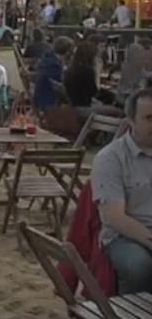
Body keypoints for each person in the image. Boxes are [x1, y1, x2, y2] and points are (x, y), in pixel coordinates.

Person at [89, 88, 152, 294]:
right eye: (149, 118)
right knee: (139, 266)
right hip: (125, 236)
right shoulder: (111, 158)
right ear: (131, 121)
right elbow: (114, 218)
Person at [33, 36, 74, 113]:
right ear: (68, 52)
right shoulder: (54, 67)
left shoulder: (46, 60)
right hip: (50, 102)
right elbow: (63, 88)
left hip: (40, 100)